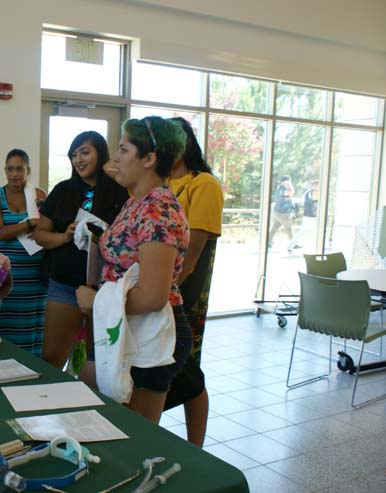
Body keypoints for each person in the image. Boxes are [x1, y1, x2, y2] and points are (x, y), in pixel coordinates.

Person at [76, 116, 191, 424]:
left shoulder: (158, 211)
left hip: (148, 332)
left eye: (124, 149)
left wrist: (96, 302)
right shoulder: (137, 200)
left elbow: (153, 297)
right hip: (120, 324)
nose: (114, 157)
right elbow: (112, 169)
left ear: (149, 158)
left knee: (129, 436)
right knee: (93, 415)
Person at [34, 131, 128, 369]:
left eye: (85, 152)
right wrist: (64, 236)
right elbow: (40, 235)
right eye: (74, 155)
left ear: (101, 154)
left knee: (99, 361)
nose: (79, 160)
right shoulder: (63, 190)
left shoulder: (120, 191)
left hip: (108, 289)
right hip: (65, 285)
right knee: (52, 357)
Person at [163, 117, 224, 447]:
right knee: (172, 366)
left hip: (185, 286)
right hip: (161, 286)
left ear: (188, 143)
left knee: (187, 366)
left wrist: (168, 288)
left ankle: (195, 445)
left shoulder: (204, 184)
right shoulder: (161, 183)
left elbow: (196, 246)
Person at [0, 149, 47, 356]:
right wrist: (30, 223)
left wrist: (34, 226)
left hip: (35, 279)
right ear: (5, 170)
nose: (15, 174)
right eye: (10, 169)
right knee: (5, 338)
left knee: (34, 338)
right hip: (9, 279)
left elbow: (46, 229)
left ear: (28, 170)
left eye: (19, 169)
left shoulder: (38, 195)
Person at [288, 180, 319, 253]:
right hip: (310, 217)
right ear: (314, 186)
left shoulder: (308, 192)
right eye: (318, 185)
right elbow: (316, 200)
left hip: (310, 216)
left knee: (315, 233)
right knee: (304, 232)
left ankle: (318, 248)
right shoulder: (313, 192)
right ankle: (290, 245)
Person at [269, 175, 295, 248]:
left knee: (275, 227)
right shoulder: (281, 189)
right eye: (289, 181)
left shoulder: (280, 188)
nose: (290, 183)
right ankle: (293, 244)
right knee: (288, 228)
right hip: (282, 212)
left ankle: (268, 242)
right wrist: (289, 184)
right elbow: (291, 192)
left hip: (278, 211)